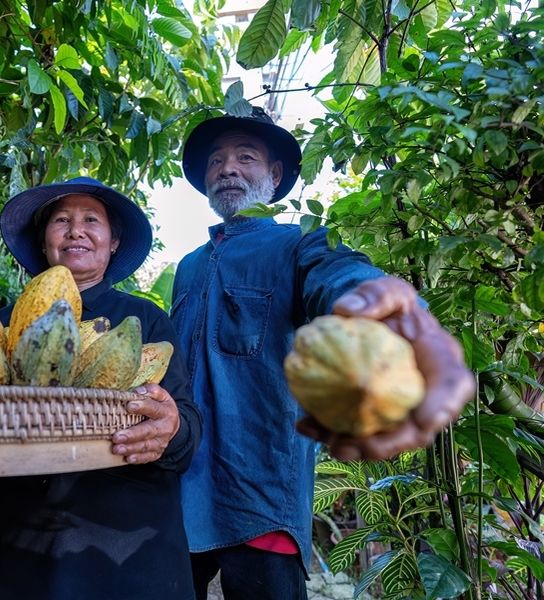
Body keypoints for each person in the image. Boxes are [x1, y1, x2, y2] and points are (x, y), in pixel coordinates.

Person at [172, 107, 475, 600]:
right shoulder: (187, 269)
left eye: (245, 157)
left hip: (260, 493)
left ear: (273, 177)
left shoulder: (300, 244)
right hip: (180, 495)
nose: (227, 168)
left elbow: (339, 275)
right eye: (216, 161)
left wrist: (389, 313)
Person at [0, 176, 202, 600]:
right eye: (61, 220)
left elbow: (187, 429)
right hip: (16, 552)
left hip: (129, 552)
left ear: (112, 243)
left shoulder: (146, 322)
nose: (76, 230)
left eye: (92, 219)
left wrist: (172, 427)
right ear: (43, 243)